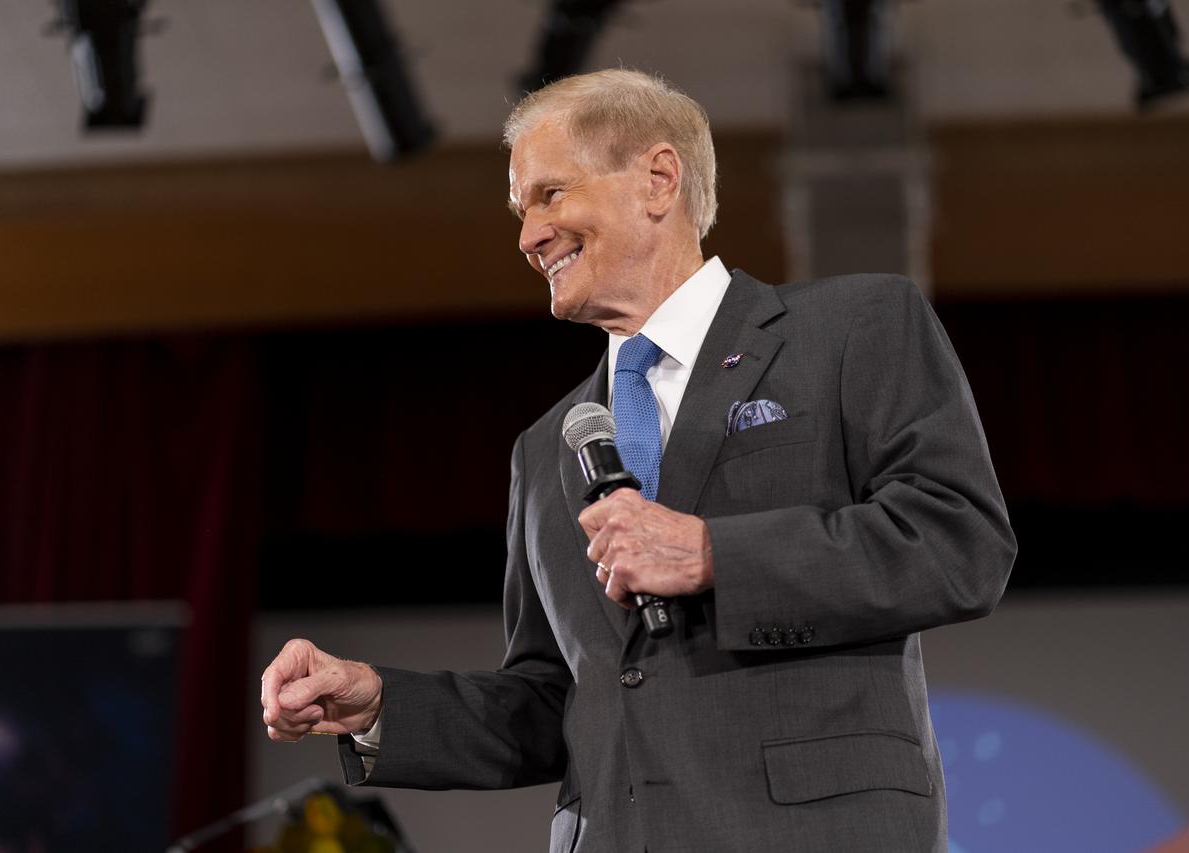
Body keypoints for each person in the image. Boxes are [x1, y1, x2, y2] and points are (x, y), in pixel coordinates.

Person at [261, 68, 1016, 852]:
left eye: (550, 195)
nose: (528, 237)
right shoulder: (546, 448)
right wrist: (380, 705)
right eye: (521, 212)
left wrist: (714, 553)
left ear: (658, 179)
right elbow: (555, 700)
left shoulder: (851, 328)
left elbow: (959, 542)